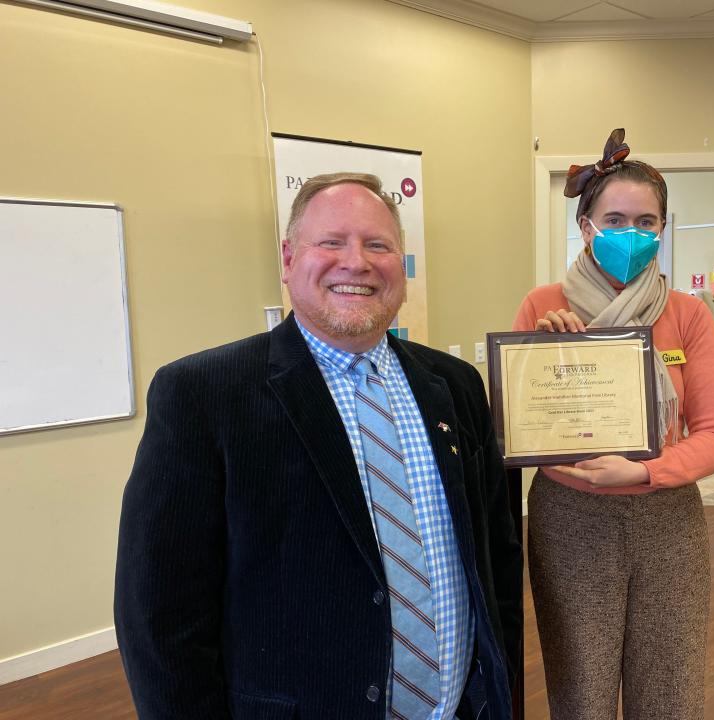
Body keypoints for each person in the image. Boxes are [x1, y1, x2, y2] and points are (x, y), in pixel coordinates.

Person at [115, 172, 522, 720]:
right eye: (331, 242)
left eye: (377, 244)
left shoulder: (455, 385)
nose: (356, 262)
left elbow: (493, 562)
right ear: (288, 259)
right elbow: (159, 613)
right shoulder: (204, 395)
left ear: (400, 263)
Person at [513, 129, 714, 720]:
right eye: (615, 219)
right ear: (586, 226)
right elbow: (519, 427)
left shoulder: (687, 313)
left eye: (646, 222)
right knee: (580, 687)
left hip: (668, 519)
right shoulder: (542, 307)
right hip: (570, 520)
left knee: (670, 685)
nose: (632, 234)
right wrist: (542, 359)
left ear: (663, 229)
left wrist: (645, 473)